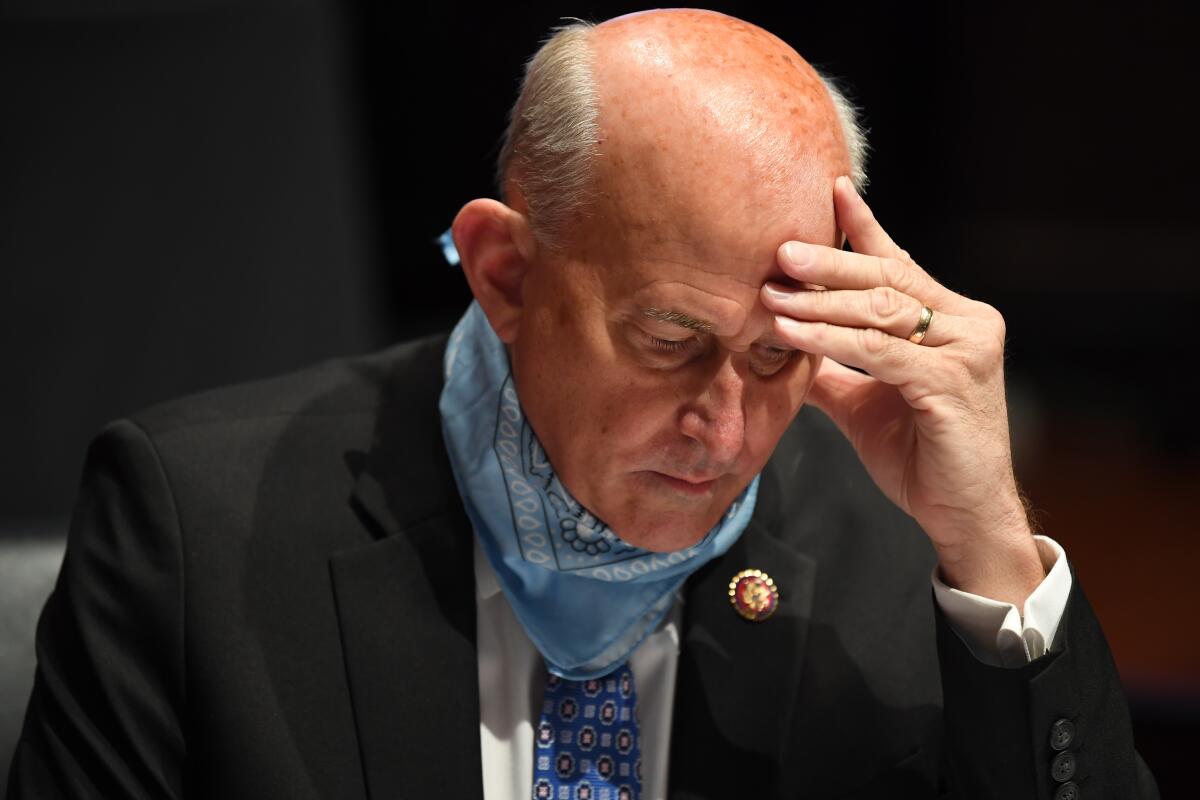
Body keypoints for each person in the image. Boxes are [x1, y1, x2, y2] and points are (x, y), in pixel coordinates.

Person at [7, 8, 1158, 800]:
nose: (726, 426)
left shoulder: (898, 552)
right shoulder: (193, 523)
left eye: (774, 357)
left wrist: (993, 551)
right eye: (670, 338)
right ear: (505, 271)